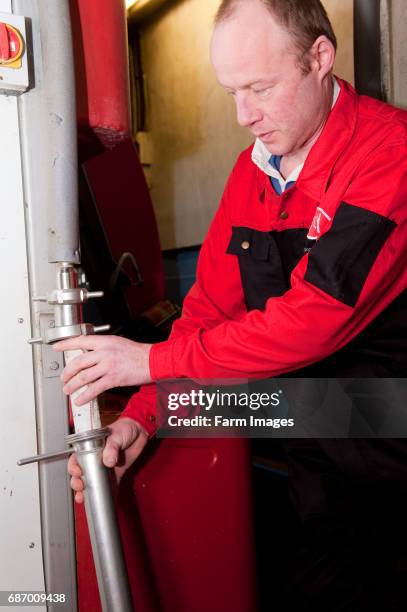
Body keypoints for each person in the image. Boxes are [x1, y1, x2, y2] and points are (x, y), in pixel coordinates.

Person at [55, 0, 407, 608]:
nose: (245, 115)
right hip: (312, 437)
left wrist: (147, 366)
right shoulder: (253, 174)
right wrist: (142, 416)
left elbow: (312, 323)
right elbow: (206, 314)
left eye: (260, 88)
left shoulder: (388, 152)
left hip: (390, 441)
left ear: (320, 59)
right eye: (231, 93)